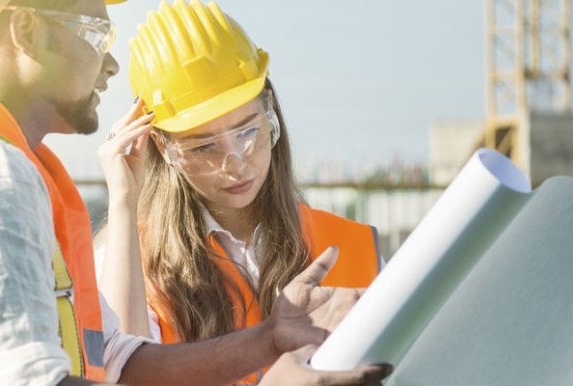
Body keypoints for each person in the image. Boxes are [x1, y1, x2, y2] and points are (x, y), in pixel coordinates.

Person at [0, 0, 390, 385]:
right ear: (27, 30)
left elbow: (118, 366)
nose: (111, 63)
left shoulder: (15, 166)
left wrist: (266, 342)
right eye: (97, 33)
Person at [96, 0, 383, 384]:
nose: (234, 163)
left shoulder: (355, 244)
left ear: (271, 113)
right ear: (163, 148)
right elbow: (125, 372)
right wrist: (122, 199)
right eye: (203, 147)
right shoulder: (130, 263)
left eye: (247, 131)